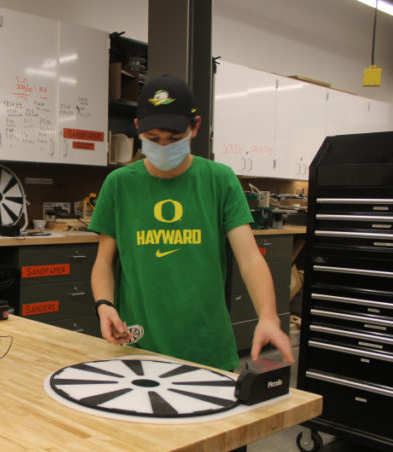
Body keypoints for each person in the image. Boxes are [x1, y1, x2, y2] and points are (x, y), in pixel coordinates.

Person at [89, 75, 294, 371]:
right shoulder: (119, 185)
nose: (162, 147)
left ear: (195, 127)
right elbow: (104, 262)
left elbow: (249, 258)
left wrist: (268, 316)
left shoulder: (219, 180)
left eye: (173, 139)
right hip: (137, 344)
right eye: (152, 139)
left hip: (207, 347)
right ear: (138, 129)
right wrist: (104, 305)